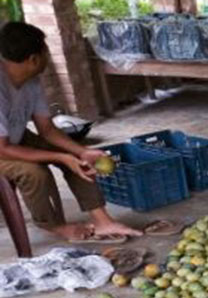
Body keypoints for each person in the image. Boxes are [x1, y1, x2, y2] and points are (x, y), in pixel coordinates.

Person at [0, 22, 141, 242]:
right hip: (3, 146)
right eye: (46, 51)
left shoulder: (31, 81)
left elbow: (47, 129)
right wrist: (60, 157)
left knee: (77, 156)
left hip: (12, 136)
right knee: (35, 172)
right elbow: (4, 148)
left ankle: (102, 220)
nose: (48, 56)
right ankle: (55, 226)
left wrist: (80, 152)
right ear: (33, 59)